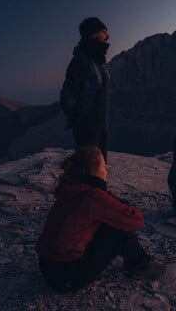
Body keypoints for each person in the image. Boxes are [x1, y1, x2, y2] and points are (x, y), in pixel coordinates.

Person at [36, 146, 165, 292]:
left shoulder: (71, 188)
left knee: (108, 220)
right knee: (118, 230)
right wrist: (106, 194)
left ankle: (136, 263)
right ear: (94, 171)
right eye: (103, 164)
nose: (107, 168)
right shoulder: (92, 196)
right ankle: (142, 265)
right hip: (67, 277)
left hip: (47, 268)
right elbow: (136, 220)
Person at [60, 17, 111, 161]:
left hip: (101, 125)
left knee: (100, 168)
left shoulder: (99, 60)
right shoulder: (80, 61)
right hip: (87, 128)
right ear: (93, 34)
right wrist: (79, 120)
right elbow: (67, 96)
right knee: (87, 169)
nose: (107, 36)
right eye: (104, 32)